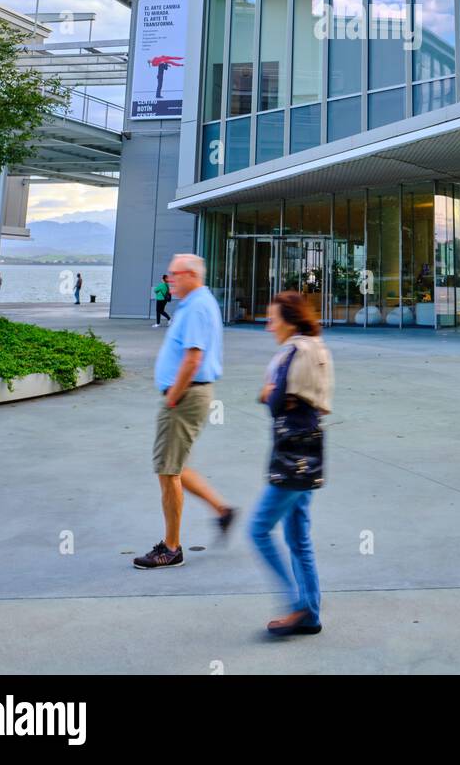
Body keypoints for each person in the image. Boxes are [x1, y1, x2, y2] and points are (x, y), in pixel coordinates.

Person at [133, 253, 236, 569]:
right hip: (189, 395)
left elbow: (193, 358)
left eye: (174, 275)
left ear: (191, 274)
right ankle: (222, 510)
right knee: (175, 465)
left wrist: (173, 396)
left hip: (185, 396)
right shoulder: (197, 302)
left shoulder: (196, 307)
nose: (170, 280)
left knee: (168, 471)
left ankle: (171, 547)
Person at [249, 291, 333, 636]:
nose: (269, 326)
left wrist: (268, 393)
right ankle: (310, 612)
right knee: (298, 535)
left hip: (291, 452)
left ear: (290, 320)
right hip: (311, 447)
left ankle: (296, 604)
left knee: (258, 529)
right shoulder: (318, 347)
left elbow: (276, 399)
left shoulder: (294, 351)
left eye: (273, 319)